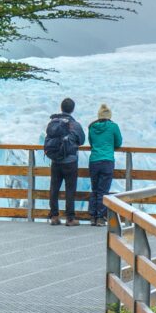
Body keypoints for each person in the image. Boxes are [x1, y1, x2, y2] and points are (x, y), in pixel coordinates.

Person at [44, 97, 85, 226]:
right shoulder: (74, 124)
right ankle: (70, 218)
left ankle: (54, 216)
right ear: (72, 109)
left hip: (56, 160)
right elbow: (82, 140)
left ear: (61, 108)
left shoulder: (53, 122)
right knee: (70, 189)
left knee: (54, 188)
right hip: (70, 162)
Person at [87, 103, 122, 226]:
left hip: (94, 160)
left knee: (94, 189)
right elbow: (118, 143)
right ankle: (101, 218)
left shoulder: (92, 127)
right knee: (103, 190)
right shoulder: (113, 127)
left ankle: (92, 216)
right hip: (107, 160)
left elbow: (91, 142)